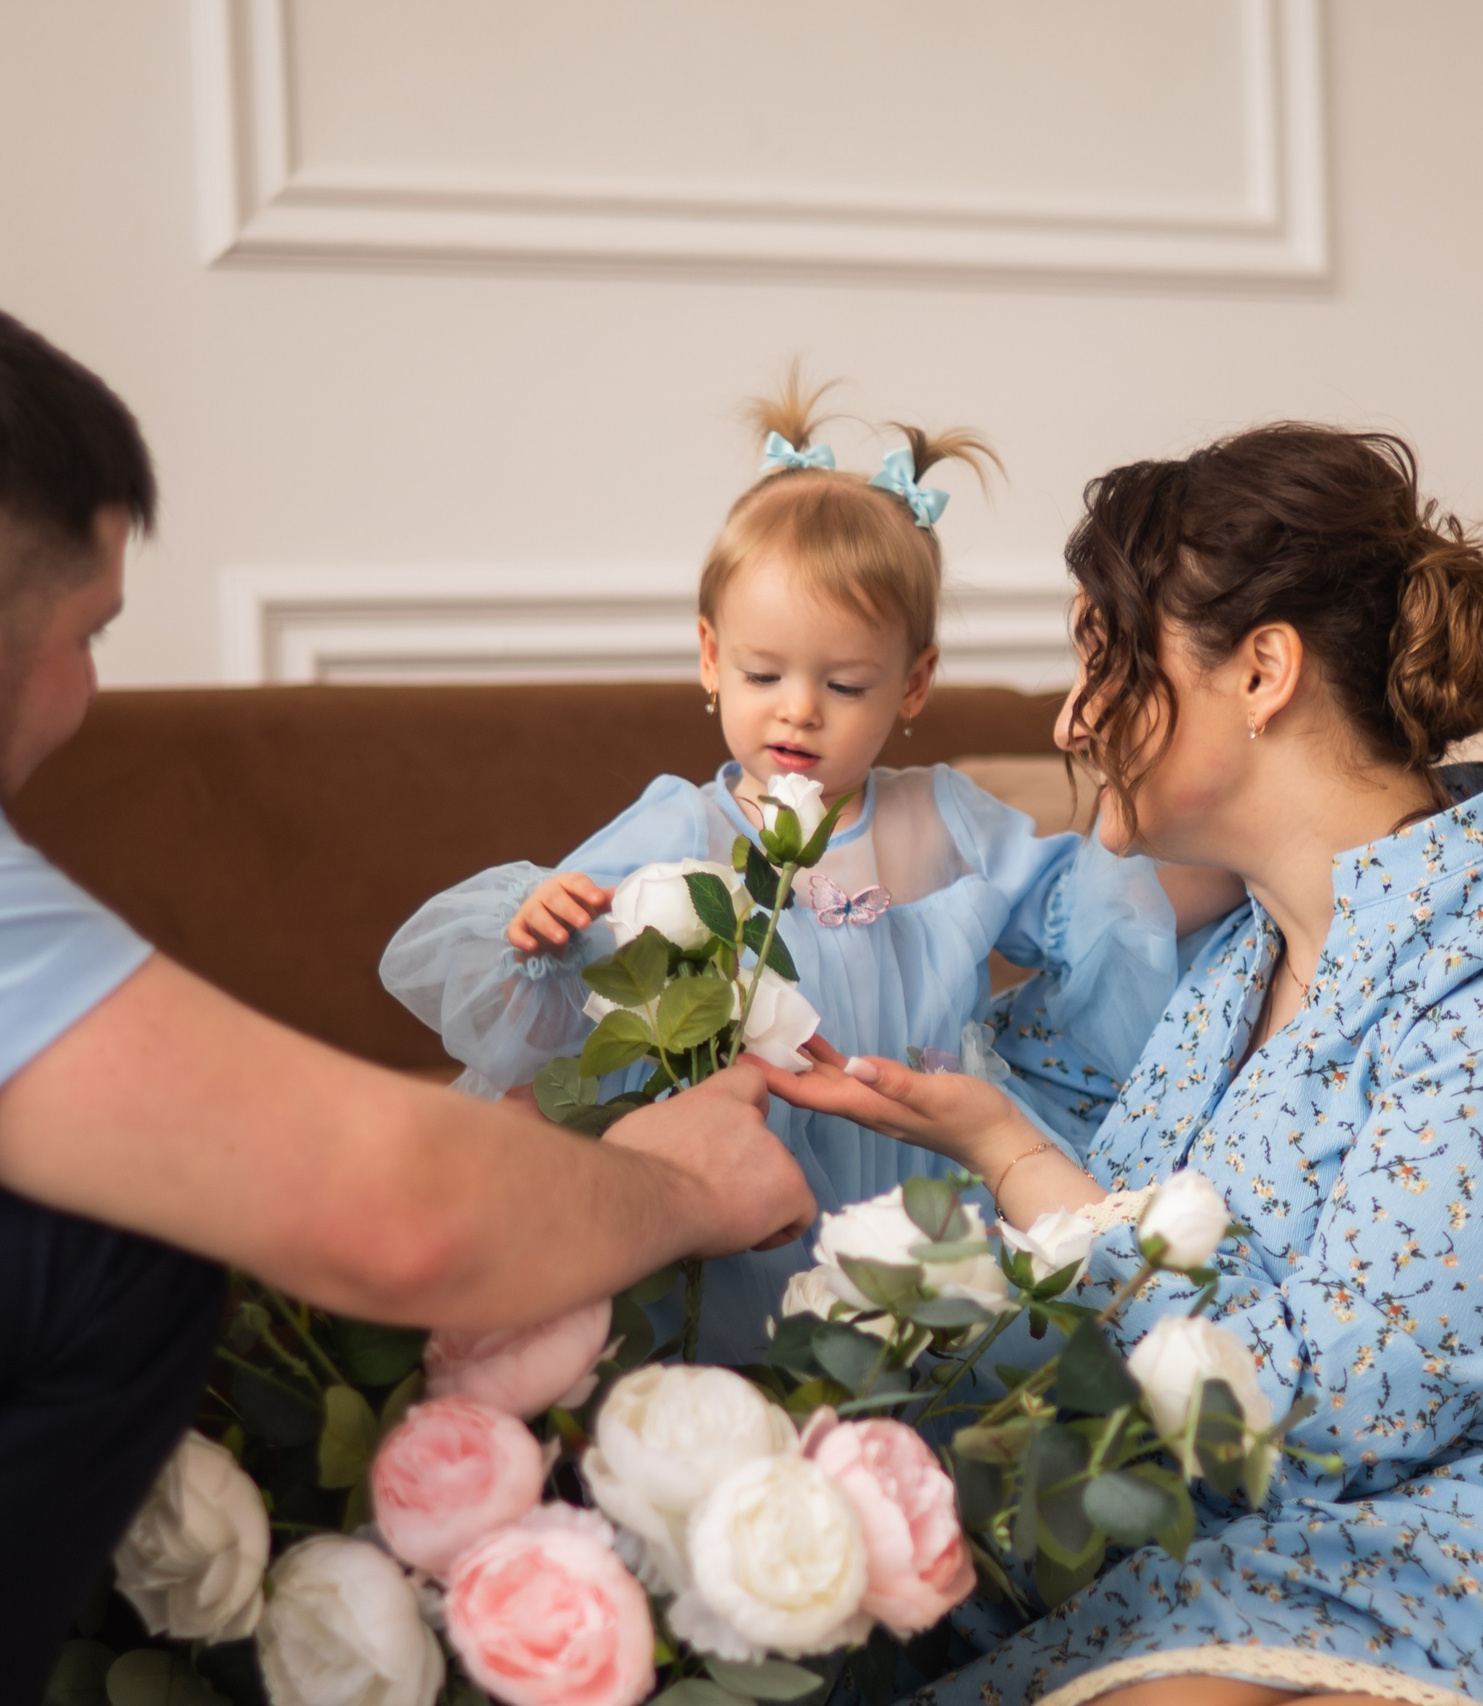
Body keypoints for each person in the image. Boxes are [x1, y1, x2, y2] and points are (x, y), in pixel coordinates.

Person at [0, 282, 815, 1706]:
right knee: (98, 1224)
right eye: (87, 634)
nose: (85, 693)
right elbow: (386, 1205)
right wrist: (675, 1190)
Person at [770, 426, 1483, 1705]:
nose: (1070, 714)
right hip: (1274, 1546)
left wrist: (1018, 1160)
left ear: (1262, 670)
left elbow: (1334, 1409)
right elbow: (995, 1205)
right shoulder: (1208, 972)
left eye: (1105, 658)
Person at [380, 376, 1240, 1360]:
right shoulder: (684, 827)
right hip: (741, 1188)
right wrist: (543, 918)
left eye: (843, 684)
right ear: (709, 659)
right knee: (727, 1363)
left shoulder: (943, 819)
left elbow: (1089, 903)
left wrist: (1238, 869)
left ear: (912, 682)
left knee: (925, 1371)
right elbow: (568, 959)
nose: (798, 710)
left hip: (915, 1186)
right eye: (762, 674)